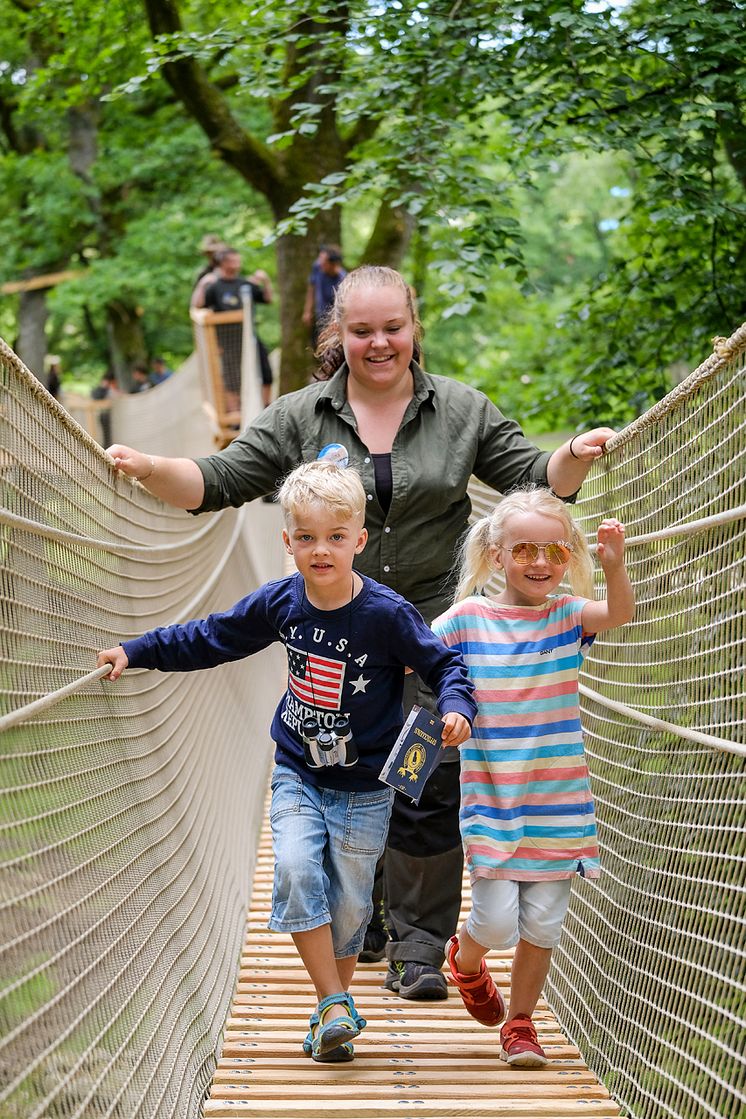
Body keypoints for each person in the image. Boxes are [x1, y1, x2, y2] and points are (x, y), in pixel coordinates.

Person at [104, 263, 616, 1001]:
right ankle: (365, 917)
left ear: (414, 328)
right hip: (339, 634)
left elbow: (535, 476)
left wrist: (574, 454)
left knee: (429, 784)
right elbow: (215, 481)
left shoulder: (463, 412)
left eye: (393, 328)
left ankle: (418, 944)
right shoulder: (300, 417)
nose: (379, 343)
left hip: (434, 632)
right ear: (338, 334)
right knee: (358, 772)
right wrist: (149, 463)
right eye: (362, 330)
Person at [96, 460, 476, 1062]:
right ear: (287, 542)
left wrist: (456, 709)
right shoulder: (282, 603)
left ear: (359, 539)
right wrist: (137, 650)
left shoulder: (385, 614)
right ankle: (332, 1001)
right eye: (305, 538)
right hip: (298, 769)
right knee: (298, 869)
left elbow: (444, 665)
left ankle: (333, 1011)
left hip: (367, 784)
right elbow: (212, 637)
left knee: (352, 901)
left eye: (334, 537)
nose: (319, 550)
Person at [433, 487, 634, 1066]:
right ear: (497, 556)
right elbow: (418, 650)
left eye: (553, 550)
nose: (540, 563)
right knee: (494, 923)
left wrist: (614, 566)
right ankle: (465, 960)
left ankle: (520, 1024)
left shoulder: (568, 616)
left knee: (543, 925)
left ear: (567, 557)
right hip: (493, 798)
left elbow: (618, 614)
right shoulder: (470, 619)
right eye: (524, 549)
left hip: (558, 800)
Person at [202, 248, 274, 411]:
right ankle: (235, 416)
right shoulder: (214, 287)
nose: (237, 264)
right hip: (228, 342)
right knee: (232, 381)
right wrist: (202, 284)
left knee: (266, 373)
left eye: (238, 260)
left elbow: (267, 299)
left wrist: (266, 281)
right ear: (223, 263)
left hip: (250, 337)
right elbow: (199, 306)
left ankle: (266, 409)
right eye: (234, 260)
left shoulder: (245, 284)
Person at [303, 245, 347, 347]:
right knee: (317, 344)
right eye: (320, 260)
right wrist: (307, 311)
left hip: (334, 320)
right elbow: (311, 287)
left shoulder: (342, 280)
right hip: (319, 315)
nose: (320, 263)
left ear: (333, 264)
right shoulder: (317, 267)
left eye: (324, 262)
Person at [190, 233, 227, 309]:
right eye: (210, 254)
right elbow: (195, 302)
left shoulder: (229, 271)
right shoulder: (204, 273)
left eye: (216, 253)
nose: (214, 256)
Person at [90, 370, 119, 446]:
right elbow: (95, 397)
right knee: (105, 435)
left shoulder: (108, 390)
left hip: (109, 415)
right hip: (103, 414)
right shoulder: (101, 390)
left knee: (108, 435)